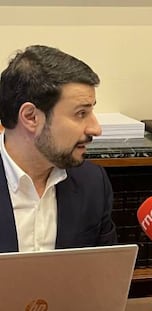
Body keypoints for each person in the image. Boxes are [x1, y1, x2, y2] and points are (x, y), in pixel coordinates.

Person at [0, 45, 117, 252]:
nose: (96, 129)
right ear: (31, 117)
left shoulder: (93, 184)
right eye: (81, 113)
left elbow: (104, 277)